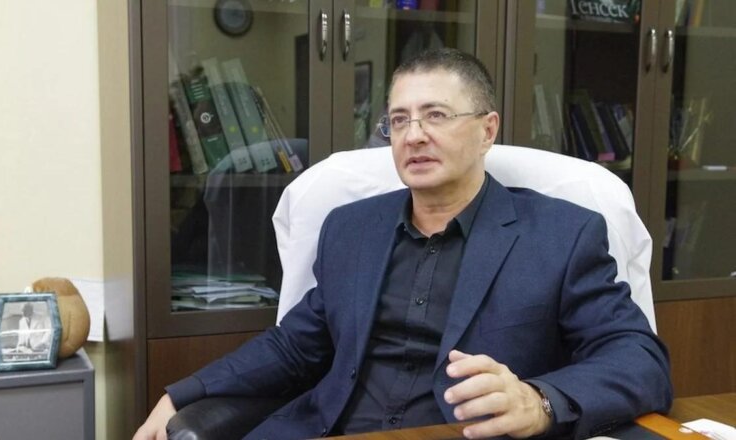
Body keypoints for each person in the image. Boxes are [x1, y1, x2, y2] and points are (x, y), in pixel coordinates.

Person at [135, 48, 672, 440]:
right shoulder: (350, 228)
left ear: (487, 131)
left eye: (436, 115)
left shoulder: (561, 234)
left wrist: (539, 403)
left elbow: (638, 360)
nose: (413, 135)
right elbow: (295, 345)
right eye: (398, 120)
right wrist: (183, 393)